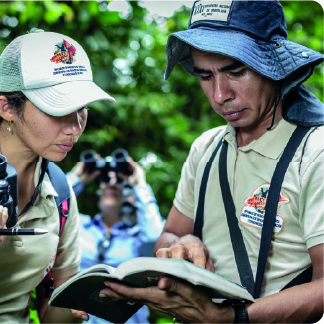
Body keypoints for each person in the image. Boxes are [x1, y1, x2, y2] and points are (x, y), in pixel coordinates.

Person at [92, 1, 324, 323]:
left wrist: (230, 319)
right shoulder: (207, 147)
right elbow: (170, 234)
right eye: (205, 76)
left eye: (236, 71)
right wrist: (181, 245)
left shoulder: (314, 151)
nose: (219, 95)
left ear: (274, 66)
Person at [0, 29, 115, 323]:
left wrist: (79, 301)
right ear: (7, 107)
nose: (75, 127)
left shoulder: (60, 194)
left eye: (82, 109)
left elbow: (52, 311)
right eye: (59, 108)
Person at [66, 153, 165, 324]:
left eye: (119, 181)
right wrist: (77, 177)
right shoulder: (79, 227)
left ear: (128, 193)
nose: (112, 184)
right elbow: (50, 209)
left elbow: (155, 236)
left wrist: (140, 184)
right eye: (105, 179)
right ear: (99, 189)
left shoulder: (138, 237)